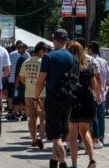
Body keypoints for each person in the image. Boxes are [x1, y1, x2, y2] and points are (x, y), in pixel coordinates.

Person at [34, 29, 77, 168]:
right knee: (60, 134)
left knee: (55, 136)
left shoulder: (49, 57)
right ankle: (53, 163)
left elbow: (40, 81)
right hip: (69, 99)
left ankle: (63, 163)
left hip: (53, 99)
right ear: (67, 40)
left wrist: (35, 97)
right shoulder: (73, 58)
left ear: (54, 40)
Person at [67, 41, 102, 168]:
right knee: (85, 131)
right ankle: (92, 159)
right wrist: (98, 96)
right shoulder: (87, 66)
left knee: (72, 134)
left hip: (73, 100)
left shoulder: (68, 66)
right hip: (87, 100)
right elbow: (94, 85)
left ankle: (74, 164)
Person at [18, 42, 48, 149]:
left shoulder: (26, 62)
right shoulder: (43, 62)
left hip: (29, 94)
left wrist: (29, 84)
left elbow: (21, 77)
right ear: (41, 51)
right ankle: (40, 137)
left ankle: (34, 139)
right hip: (41, 94)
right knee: (43, 118)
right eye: (45, 52)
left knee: (32, 118)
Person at [87, 41, 109, 149]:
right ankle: (101, 138)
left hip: (93, 93)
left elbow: (96, 77)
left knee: (92, 117)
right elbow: (108, 77)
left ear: (91, 50)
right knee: (100, 117)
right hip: (102, 93)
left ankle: (93, 138)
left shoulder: (90, 61)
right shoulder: (104, 61)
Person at [7, 41, 30, 121]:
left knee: (17, 98)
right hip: (25, 81)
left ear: (24, 48)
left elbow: (19, 72)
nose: (18, 49)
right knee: (23, 99)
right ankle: (25, 115)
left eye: (20, 48)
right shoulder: (27, 57)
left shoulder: (22, 58)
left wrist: (16, 81)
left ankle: (16, 114)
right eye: (18, 48)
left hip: (19, 81)